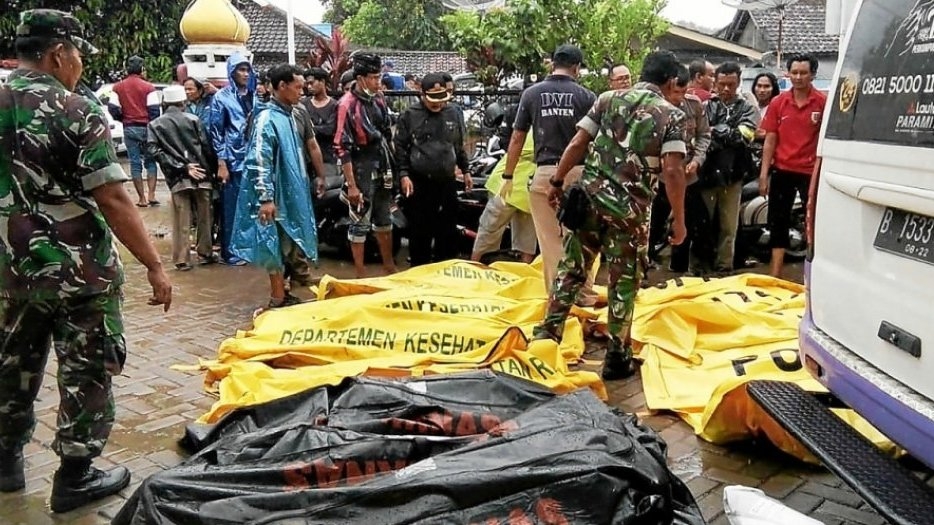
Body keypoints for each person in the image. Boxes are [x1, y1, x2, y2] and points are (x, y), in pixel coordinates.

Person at [0, 9, 172, 513]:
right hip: (81, 276)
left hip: (11, 272)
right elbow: (114, 199)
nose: (78, 65)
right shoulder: (78, 108)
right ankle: (75, 476)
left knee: (12, 365)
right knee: (87, 371)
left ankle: (6, 463)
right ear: (58, 54)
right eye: (76, 56)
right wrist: (154, 266)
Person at [532, 50, 688, 380]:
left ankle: (546, 335)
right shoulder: (671, 115)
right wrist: (679, 219)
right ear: (672, 81)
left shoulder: (607, 99)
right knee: (623, 282)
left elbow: (577, 143)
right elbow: (673, 171)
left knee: (572, 270)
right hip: (629, 214)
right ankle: (617, 356)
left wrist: (557, 181)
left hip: (588, 201)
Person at [502, 44, 599, 303]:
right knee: (580, 239)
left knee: (551, 243)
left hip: (545, 173)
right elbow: (594, 141)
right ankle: (586, 298)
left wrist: (508, 175)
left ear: (551, 64)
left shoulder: (532, 95)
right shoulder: (587, 96)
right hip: (579, 174)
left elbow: (517, 138)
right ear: (577, 68)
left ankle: (558, 301)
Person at [232, 64, 322, 310]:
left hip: (291, 193)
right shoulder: (267, 118)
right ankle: (277, 298)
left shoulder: (289, 115)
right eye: (298, 87)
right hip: (276, 196)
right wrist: (266, 198)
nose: (302, 92)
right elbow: (259, 160)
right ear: (282, 86)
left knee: (288, 246)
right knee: (275, 247)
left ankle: (283, 293)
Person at [393, 72, 471, 266]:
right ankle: (419, 269)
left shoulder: (453, 112)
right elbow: (400, 147)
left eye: (441, 98)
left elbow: (458, 145)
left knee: (447, 230)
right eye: (433, 99)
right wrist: (403, 175)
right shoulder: (410, 115)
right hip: (419, 181)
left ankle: (445, 269)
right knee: (420, 231)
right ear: (422, 94)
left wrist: (466, 170)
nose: (438, 104)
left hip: (446, 180)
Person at [759, 54, 826, 278]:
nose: (798, 77)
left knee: (813, 225)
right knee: (778, 223)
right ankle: (775, 274)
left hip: (810, 174)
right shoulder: (778, 103)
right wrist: (763, 173)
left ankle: (812, 275)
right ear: (788, 74)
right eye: (794, 72)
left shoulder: (822, 103)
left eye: (803, 73)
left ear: (813, 74)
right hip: (782, 171)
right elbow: (770, 139)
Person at [334, 52, 398, 278]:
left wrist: (395, 165)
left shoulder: (379, 98)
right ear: (360, 78)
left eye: (379, 76)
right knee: (360, 221)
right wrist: (351, 185)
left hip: (382, 164)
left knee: (384, 218)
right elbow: (342, 147)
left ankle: (389, 267)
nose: (377, 81)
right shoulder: (346, 104)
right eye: (373, 77)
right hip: (360, 167)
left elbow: (388, 133)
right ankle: (360, 273)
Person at [146, 85, 218, 270]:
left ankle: (182, 258)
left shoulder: (155, 125)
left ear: (165, 103)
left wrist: (181, 167)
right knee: (205, 217)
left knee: (181, 219)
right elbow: (206, 148)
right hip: (201, 173)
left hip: (178, 177)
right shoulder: (194, 120)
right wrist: (211, 171)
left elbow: (154, 150)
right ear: (183, 103)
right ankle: (205, 252)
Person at [648, 64, 711, 274]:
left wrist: (697, 160)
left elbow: (704, 135)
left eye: (684, 92)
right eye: (676, 92)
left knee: (690, 223)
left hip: (687, 177)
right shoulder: (654, 108)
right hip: (659, 178)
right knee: (652, 225)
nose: (679, 98)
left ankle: (680, 269)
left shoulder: (694, 105)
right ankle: (644, 265)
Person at [698, 62, 759, 273]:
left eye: (730, 85)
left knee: (728, 225)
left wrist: (718, 132)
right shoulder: (706, 106)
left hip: (733, 174)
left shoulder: (748, 108)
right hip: (706, 173)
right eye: (722, 84)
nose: (726, 89)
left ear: (738, 83)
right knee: (702, 222)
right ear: (715, 82)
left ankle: (724, 266)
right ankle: (701, 266)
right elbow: (701, 136)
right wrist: (724, 133)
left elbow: (744, 136)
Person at [210, 53, 257, 266]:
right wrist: (222, 163)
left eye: (248, 70)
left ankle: (252, 249)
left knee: (253, 207)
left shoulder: (256, 96)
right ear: (232, 72)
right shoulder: (222, 98)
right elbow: (216, 132)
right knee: (232, 209)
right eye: (241, 69)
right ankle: (232, 252)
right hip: (233, 161)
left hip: (255, 160)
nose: (245, 74)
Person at [113, 55, 159, 207]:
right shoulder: (149, 87)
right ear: (142, 69)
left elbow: (113, 108)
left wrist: (124, 118)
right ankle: (151, 194)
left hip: (129, 127)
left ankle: (141, 198)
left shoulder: (118, 87)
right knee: (150, 161)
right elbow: (154, 111)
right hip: (147, 127)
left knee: (135, 163)